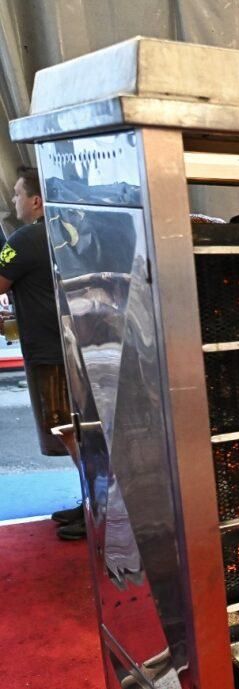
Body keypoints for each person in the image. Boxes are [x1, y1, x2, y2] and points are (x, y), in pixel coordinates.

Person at [0, 165, 84, 540]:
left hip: (51, 355)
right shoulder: (73, 232)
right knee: (86, 431)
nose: (14, 199)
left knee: (70, 432)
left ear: (36, 200)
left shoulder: (23, 239)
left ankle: (100, 509)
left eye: (17, 193)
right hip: (82, 348)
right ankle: (94, 501)